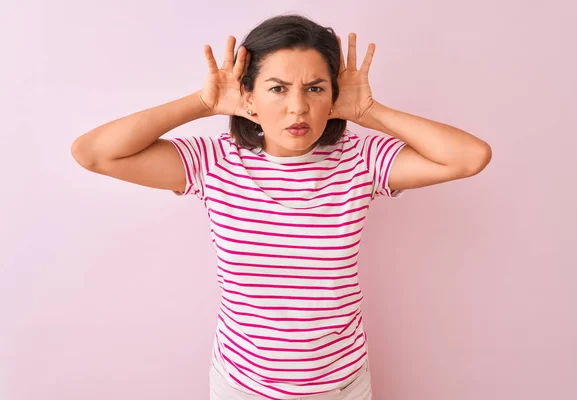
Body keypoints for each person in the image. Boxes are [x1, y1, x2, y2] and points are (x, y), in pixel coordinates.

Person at [71, 13, 491, 400]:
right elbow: (93, 153)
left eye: (315, 88)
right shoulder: (213, 161)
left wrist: (369, 111)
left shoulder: (361, 160)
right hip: (242, 384)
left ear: (334, 96)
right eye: (277, 88)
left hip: (343, 384)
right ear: (247, 96)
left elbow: (469, 157)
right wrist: (201, 103)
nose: (298, 107)